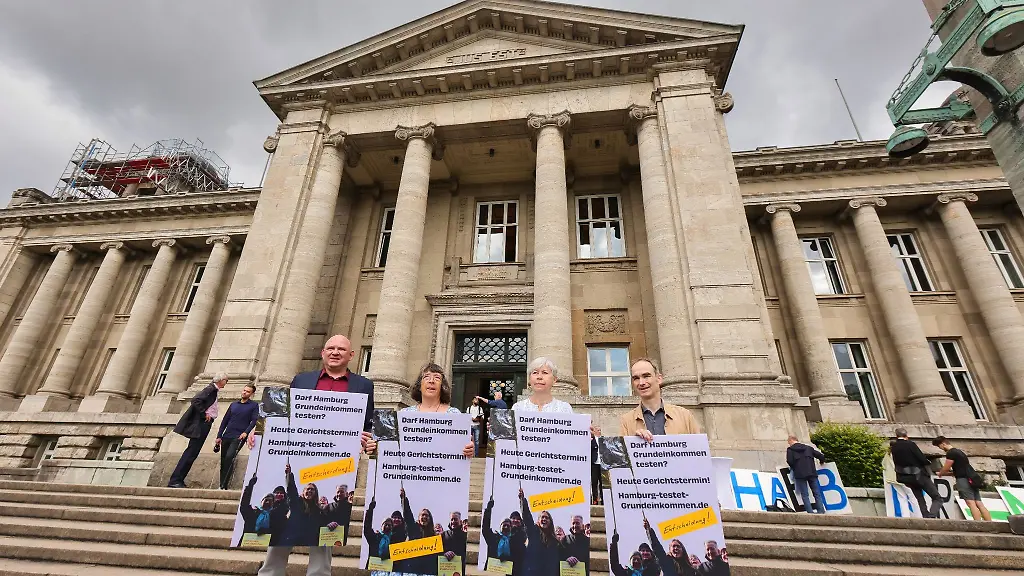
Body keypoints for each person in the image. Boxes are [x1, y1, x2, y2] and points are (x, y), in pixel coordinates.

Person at [258, 335, 374, 576]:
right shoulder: (301, 380)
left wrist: (366, 437)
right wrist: (259, 432)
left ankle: (319, 574)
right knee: (285, 520)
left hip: (336, 465)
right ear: (323, 353)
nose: (335, 352)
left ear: (351, 356)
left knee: (328, 521)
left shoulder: (363, 386)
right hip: (298, 461)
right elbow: (283, 416)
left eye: (341, 349)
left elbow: (367, 424)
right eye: (330, 348)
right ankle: (270, 572)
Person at [397, 363, 474, 458]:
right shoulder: (404, 414)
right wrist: (375, 446)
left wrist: (468, 450)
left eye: (437, 378)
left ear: (442, 386)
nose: (431, 381)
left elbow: (460, 453)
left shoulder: (454, 415)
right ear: (419, 386)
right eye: (426, 377)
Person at [168, 373, 227, 488]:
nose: (226, 383)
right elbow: (196, 400)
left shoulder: (213, 390)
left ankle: (178, 479)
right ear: (221, 380)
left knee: (192, 453)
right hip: (201, 424)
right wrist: (204, 414)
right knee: (191, 453)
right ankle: (175, 480)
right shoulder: (210, 389)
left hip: (204, 424)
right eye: (226, 380)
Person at [619, 358, 700, 440]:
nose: (641, 383)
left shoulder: (684, 416)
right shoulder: (626, 421)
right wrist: (634, 442)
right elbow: (623, 452)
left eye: (646, 376)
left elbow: (699, 449)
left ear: (659, 379)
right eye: (636, 378)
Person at [934, 436, 991, 521]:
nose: (941, 448)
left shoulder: (951, 453)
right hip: (972, 478)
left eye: (939, 446)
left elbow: (946, 467)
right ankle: (989, 523)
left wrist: (940, 473)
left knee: (970, 502)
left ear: (943, 444)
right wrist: (949, 474)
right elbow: (959, 469)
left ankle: (978, 524)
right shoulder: (959, 452)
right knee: (979, 503)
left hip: (963, 480)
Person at [215, 382, 259, 489]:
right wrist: (219, 436)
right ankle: (222, 485)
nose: (244, 392)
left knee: (230, 457)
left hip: (239, 436)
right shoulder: (234, 405)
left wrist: (246, 432)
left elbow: (254, 421)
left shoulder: (253, 405)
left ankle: (223, 485)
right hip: (227, 435)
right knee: (224, 459)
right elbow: (225, 421)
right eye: (244, 390)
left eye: (248, 391)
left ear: (252, 394)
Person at [891, 428, 942, 518]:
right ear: (906, 436)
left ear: (896, 436)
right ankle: (932, 515)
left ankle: (926, 516)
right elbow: (921, 458)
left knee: (919, 498)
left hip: (906, 477)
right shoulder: (910, 444)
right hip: (919, 475)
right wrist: (928, 462)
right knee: (937, 497)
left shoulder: (894, 447)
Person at [519, 486, 560, 576]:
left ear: (550, 521)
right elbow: (527, 517)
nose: (544, 519)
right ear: (538, 520)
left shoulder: (554, 541)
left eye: (547, 517)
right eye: (542, 517)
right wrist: (523, 501)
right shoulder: (533, 532)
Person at [238, 474, 288, 546]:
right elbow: (244, 504)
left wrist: (267, 531)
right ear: (261, 501)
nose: (268, 501)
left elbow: (279, 529)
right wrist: (250, 486)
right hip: (247, 544)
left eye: (271, 500)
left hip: (266, 546)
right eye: (266, 499)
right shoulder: (253, 512)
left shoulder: (275, 516)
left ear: (273, 503)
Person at [786, 435, 827, 514]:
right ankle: (821, 511)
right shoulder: (808, 448)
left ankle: (810, 513)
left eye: (788, 442)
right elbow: (821, 455)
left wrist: (795, 467)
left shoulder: (790, 450)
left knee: (805, 495)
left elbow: (789, 461)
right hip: (812, 472)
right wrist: (822, 462)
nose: (789, 444)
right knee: (816, 493)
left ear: (791, 441)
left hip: (800, 474)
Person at [442, 511, 468, 575]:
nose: (453, 521)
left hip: (461, 571)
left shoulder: (466, 536)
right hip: (445, 569)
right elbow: (438, 552)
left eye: (455, 519)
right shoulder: (444, 535)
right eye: (451, 519)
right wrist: (445, 553)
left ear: (460, 521)